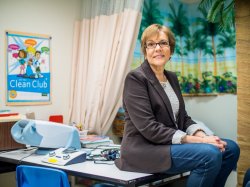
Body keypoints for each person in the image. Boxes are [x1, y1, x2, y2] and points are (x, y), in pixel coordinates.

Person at [115, 24, 240, 187]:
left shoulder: (171, 78)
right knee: (209, 154)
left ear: (171, 50)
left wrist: (204, 136)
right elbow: (149, 128)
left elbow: (183, 119)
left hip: (166, 144)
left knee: (230, 148)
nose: (157, 48)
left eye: (163, 43)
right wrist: (200, 142)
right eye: (151, 44)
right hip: (143, 150)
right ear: (145, 50)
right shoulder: (136, 78)